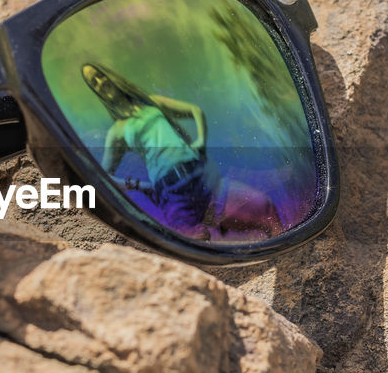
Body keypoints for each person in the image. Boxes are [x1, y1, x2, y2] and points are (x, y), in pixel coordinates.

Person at [81, 62, 283, 240]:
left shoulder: (151, 103)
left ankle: (282, 249)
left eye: (99, 75)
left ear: (109, 76)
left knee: (265, 208)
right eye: (93, 83)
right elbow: (102, 176)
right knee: (196, 244)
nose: (100, 82)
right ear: (94, 92)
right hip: (172, 194)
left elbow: (194, 111)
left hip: (203, 178)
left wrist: (201, 141)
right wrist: (138, 185)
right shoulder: (118, 131)